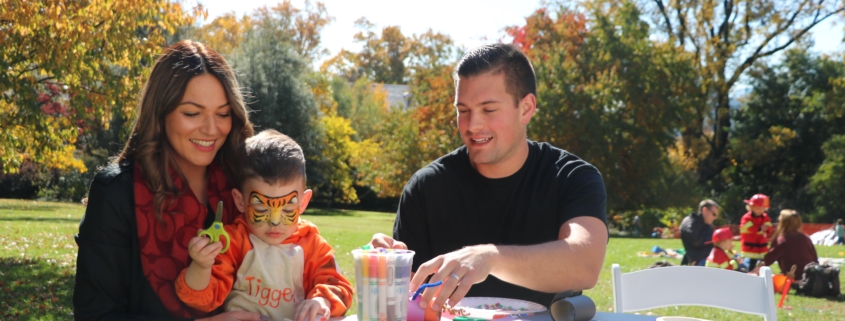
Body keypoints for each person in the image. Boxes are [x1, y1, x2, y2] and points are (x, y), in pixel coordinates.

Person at [369, 43, 608, 311]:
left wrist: (490, 258)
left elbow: (584, 264)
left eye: (489, 109)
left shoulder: (572, 177)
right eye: (463, 110)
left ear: (526, 108)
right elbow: (407, 301)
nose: (472, 125)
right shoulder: (426, 187)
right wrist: (386, 264)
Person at [73, 40, 264, 320]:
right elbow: (96, 315)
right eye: (191, 113)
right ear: (161, 113)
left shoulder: (243, 185)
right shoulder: (116, 192)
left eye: (223, 114)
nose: (211, 129)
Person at [175, 130, 353, 321]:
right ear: (240, 201)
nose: (275, 221)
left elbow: (340, 288)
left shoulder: (313, 246)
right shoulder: (234, 242)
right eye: (261, 209)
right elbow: (201, 300)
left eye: (286, 210)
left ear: (303, 202)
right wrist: (202, 265)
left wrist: (321, 301)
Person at [758, 210, 819, 283]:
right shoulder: (806, 238)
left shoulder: (782, 240)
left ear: (782, 223)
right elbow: (815, 260)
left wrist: (754, 271)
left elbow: (767, 261)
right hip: (811, 277)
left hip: (793, 278)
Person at [679, 200, 720, 266]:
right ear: (704, 210)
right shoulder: (689, 222)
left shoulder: (708, 226)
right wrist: (715, 239)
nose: (715, 218)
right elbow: (696, 241)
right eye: (714, 214)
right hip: (700, 262)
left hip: (709, 259)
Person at [740, 194, 773, 271]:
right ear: (751, 207)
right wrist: (760, 228)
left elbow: (769, 225)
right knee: (750, 264)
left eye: (763, 209)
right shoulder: (746, 218)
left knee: (763, 264)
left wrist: (767, 228)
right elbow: (747, 227)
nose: (761, 211)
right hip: (750, 248)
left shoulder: (765, 217)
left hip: (761, 247)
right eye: (758, 208)